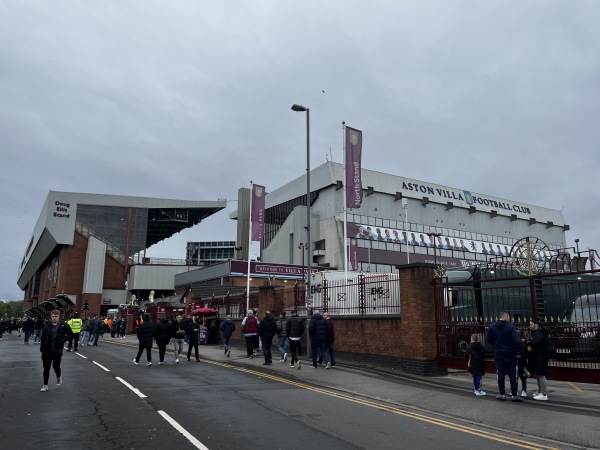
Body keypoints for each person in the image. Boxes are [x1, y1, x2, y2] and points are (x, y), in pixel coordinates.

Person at [486, 311, 523, 402]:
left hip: (498, 353)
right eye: (509, 318)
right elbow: (517, 341)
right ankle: (514, 395)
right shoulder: (511, 327)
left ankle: (501, 394)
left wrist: (497, 344)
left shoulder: (492, 327)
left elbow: (489, 340)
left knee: (500, 373)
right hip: (510, 353)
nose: (509, 319)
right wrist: (519, 350)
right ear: (505, 317)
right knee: (513, 374)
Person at [39, 310, 72, 392]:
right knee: (46, 368)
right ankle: (45, 385)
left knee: (56, 366)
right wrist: (42, 348)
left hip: (57, 350)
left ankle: (58, 375)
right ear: (50, 317)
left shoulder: (63, 325)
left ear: (58, 317)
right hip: (47, 350)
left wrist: (63, 340)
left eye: (56, 316)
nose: (54, 318)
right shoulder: (47, 326)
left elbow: (70, 334)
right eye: (53, 316)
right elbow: (43, 337)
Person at [526, 318, 550, 401]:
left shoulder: (539, 333)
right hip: (538, 356)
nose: (530, 326)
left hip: (541, 357)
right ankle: (540, 391)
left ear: (536, 324)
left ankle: (543, 394)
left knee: (541, 374)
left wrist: (528, 342)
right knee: (538, 374)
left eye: (531, 324)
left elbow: (535, 343)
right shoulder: (539, 332)